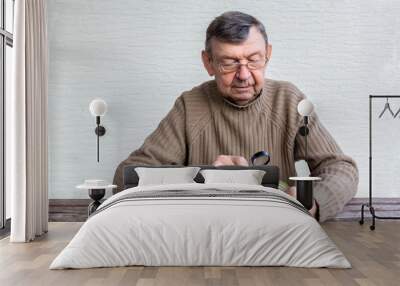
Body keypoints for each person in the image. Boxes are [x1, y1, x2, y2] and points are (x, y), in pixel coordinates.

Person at [113, 11, 359, 222]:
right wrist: (203, 179)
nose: (244, 75)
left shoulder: (289, 100)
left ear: (268, 54)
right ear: (208, 62)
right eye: (229, 63)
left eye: (254, 60)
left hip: (275, 225)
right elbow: (126, 175)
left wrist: (312, 201)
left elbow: (341, 168)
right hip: (204, 226)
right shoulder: (190, 105)